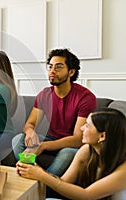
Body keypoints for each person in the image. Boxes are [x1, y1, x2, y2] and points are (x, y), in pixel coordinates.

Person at [12, 48, 97, 178]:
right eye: (50, 67)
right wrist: (30, 132)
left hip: (70, 144)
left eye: (58, 67)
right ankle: (32, 174)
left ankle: (44, 183)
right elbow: (30, 123)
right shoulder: (44, 95)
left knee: (68, 153)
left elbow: (78, 138)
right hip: (51, 138)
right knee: (18, 139)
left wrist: (43, 146)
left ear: (71, 72)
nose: (52, 71)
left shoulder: (85, 97)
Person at [16, 107, 126, 200]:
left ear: (102, 136)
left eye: (87, 125)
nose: (82, 128)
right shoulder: (87, 150)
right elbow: (63, 182)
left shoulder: (124, 168)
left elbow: (87, 195)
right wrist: (34, 170)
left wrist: (42, 175)